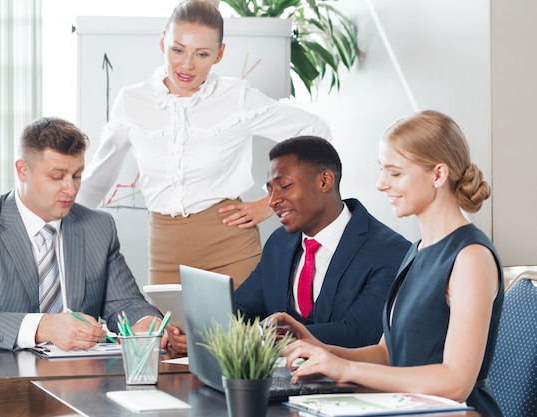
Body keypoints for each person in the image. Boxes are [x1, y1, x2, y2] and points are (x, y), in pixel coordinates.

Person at [76, 0, 331, 287]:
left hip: (231, 247)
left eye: (202, 54)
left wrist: (272, 202)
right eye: (177, 50)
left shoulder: (235, 97)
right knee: (170, 332)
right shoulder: (132, 101)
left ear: (219, 54)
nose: (187, 64)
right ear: (163, 43)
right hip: (165, 250)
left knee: (236, 334)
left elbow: (314, 130)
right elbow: (99, 177)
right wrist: (60, 222)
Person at [277, 110, 504, 416]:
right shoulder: (418, 250)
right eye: (383, 171)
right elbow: (386, 354)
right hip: (405, 406)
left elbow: (455, 383)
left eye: (395, 173)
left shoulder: (470, 257)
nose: (381, 184)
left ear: (438, 175)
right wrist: (320, 348)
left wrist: (344, 369)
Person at [0, 117, 163, 351]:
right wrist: (44, 327)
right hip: (5, 376)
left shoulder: (99, 226)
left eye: (77, 175)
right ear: (23, 170)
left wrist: (144, 322)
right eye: (57, 177)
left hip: (81, 376)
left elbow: (124, 302)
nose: (71, 188)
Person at [234, 136, 410, 348]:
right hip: (277, 378)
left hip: (347, 379)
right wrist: (189, 332)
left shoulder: (391, 251)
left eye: (285, 186)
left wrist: (266, 337)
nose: (273, 201)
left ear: (325, 181)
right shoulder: (279, 243)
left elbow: (360, 333)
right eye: (270, 190)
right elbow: (239, 311)